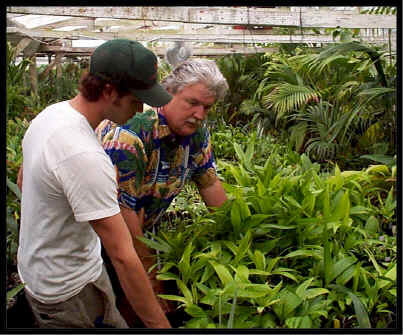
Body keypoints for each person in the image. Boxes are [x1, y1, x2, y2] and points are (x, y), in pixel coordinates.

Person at [16, 39, 173, 328]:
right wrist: (161, 326)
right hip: (68, 293)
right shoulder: (83, 155)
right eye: (136, 99)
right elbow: (123, 257)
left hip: (53, 271)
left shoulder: (51, 115)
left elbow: (24, 181)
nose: (141, 109)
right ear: (109, 91)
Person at [95, 58, 229, 326]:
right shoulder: (131, 134)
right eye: (192, 103)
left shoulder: (195, 132)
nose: (200, 114)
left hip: (142, 232)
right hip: (100, 242)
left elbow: (210, 184)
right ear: (169, 92)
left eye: (207, 107)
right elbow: (124, 221)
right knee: (134, 310)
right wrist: (152, 283)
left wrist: (236, 236)